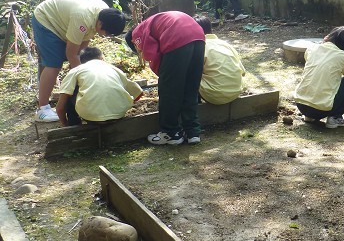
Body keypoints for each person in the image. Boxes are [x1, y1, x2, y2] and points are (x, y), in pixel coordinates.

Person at [31, 0, 127, 122]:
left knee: (63, 61)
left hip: (64, 20)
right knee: (54, 64)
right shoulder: (82, 18)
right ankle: (43, 109)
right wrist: (82, 78)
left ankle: (47, 94)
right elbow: (71, 54)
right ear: (100, 24)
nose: (107, 36)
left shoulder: (104, 14)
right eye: (108, 33)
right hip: (46, 19)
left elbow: (82, 46)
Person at [125, 11, 205, 145]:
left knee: (169, 89)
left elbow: (153, 57)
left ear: (133, 42)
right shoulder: (152, 21)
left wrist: (166, 77)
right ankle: (192, 132)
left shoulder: (136, 33)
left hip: (177, 37)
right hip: (198, 35)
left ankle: (170, 133)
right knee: (191, 86)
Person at [55, 47, 143, 127]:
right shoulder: (113, 68)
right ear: (102, 59)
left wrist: (64, 123)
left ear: (81, 61)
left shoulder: (77, 70)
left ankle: (74, 124)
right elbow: (138, 92)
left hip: (90, 116)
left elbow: (60, 107)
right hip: (118, 114)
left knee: (69, 91)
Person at [293, 26, 344, 128]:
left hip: (301, 105)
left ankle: (309, 117)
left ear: (330, 37)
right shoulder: (342, 56)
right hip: (321, 110)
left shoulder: (312, 48)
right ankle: (335, 117)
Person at [194, 15, 246, 105]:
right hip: (236, 91)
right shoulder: (225, 44)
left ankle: (194, 104)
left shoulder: (200, 47)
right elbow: (243, 72)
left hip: (214, 95)